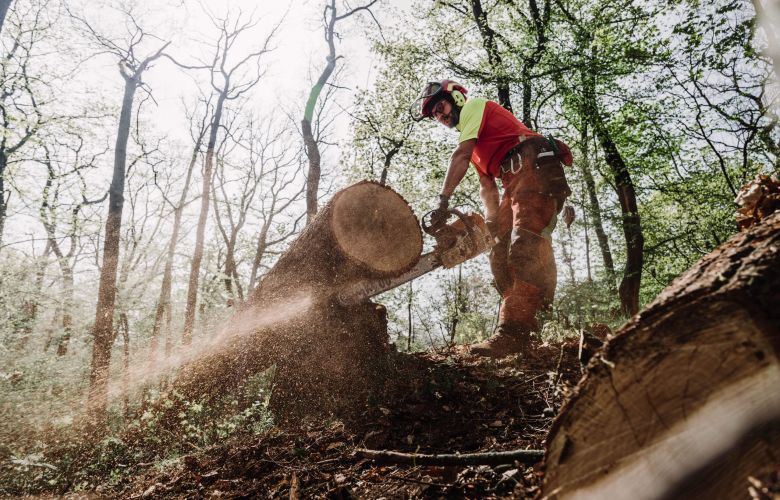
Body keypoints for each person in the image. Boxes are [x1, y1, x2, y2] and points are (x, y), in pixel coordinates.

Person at [411, 79, 573, 358]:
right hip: (513, 183)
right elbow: (487, 188)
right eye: (435, 115)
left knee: (525, 244)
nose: (440, 116)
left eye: (440, 107)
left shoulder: (476, 107)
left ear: (456, 98)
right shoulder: (476, 148)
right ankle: (524, 323)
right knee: (498, 255)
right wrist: (491, 223)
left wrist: (443, 201)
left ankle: (514, 333)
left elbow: (460, 155)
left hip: (535, 168)